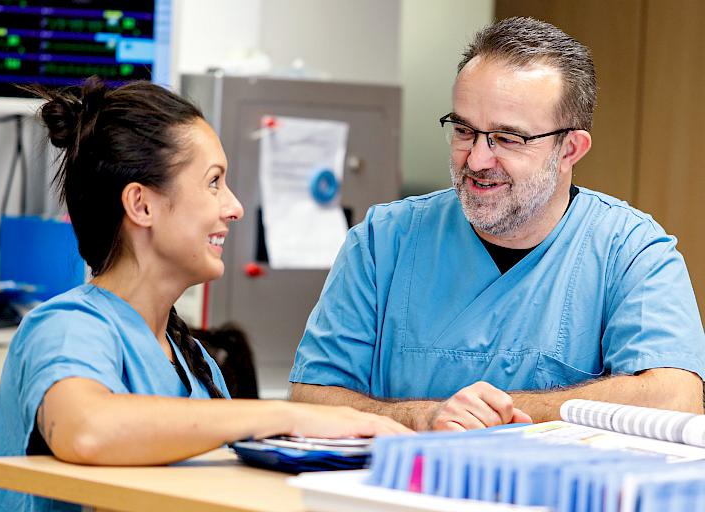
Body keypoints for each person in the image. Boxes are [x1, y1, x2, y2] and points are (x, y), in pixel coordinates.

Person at [0, 77, 419, 512]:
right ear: (141, 205)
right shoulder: (67, 328)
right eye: (214, 182)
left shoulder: (194, 361)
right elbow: (88, 430)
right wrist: (285, 415)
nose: (233, 206)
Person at [289, 17, 705, 430]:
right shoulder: (384, 242)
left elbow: (675, 399)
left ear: (570, 149)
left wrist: (500, 413)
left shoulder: (630, 251)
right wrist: (422, 417)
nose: (476, 160)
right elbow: (312, 398)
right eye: (464, 130)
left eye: (508, 139)